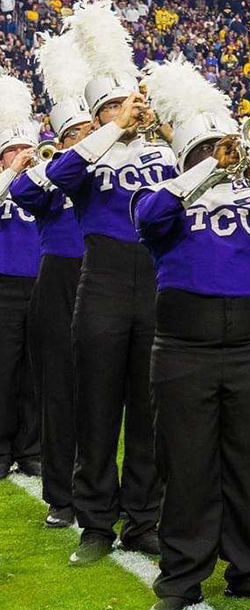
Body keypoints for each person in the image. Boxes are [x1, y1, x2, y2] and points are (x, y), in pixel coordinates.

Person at [134, 65, 250, 608]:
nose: (225, 153)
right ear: (190, 151)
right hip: (183, 349)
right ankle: (181, 578)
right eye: (210, 146)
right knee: (186, 464)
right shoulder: (165, 192)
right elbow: (151, 220)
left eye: (227, 145)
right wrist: (205, 168)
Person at [45, 5, 176, 562]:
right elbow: (56, 177)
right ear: (100, 115)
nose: (134, 111)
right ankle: (95, 523)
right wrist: (113, 129)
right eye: (120, 107)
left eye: (133, 104)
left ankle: (142, 519)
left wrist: (166, 126)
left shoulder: (163, 153)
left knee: (148, 411)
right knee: (97, 408)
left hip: (152, 282)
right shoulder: (86, 154)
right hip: (99, 281)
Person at [10, 34, 93, 527]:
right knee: (59, 391)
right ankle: (62, 496)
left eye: (92, 128)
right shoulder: (47, 174)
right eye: (77, 132)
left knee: (109, 392)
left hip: (108, 278)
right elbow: (22, 191)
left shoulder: (116, 171)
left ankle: (114, 491)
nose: (88, 137)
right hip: (59, 282)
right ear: (61, 142)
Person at [0, 120, 40, 484]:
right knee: (4, 370)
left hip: (42, 284)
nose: (23, 155)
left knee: (34, 372)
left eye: (26, 148)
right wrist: (11, 172)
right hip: (5, 286)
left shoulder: (42, 181)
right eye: (13, 150)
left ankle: (30, 449)